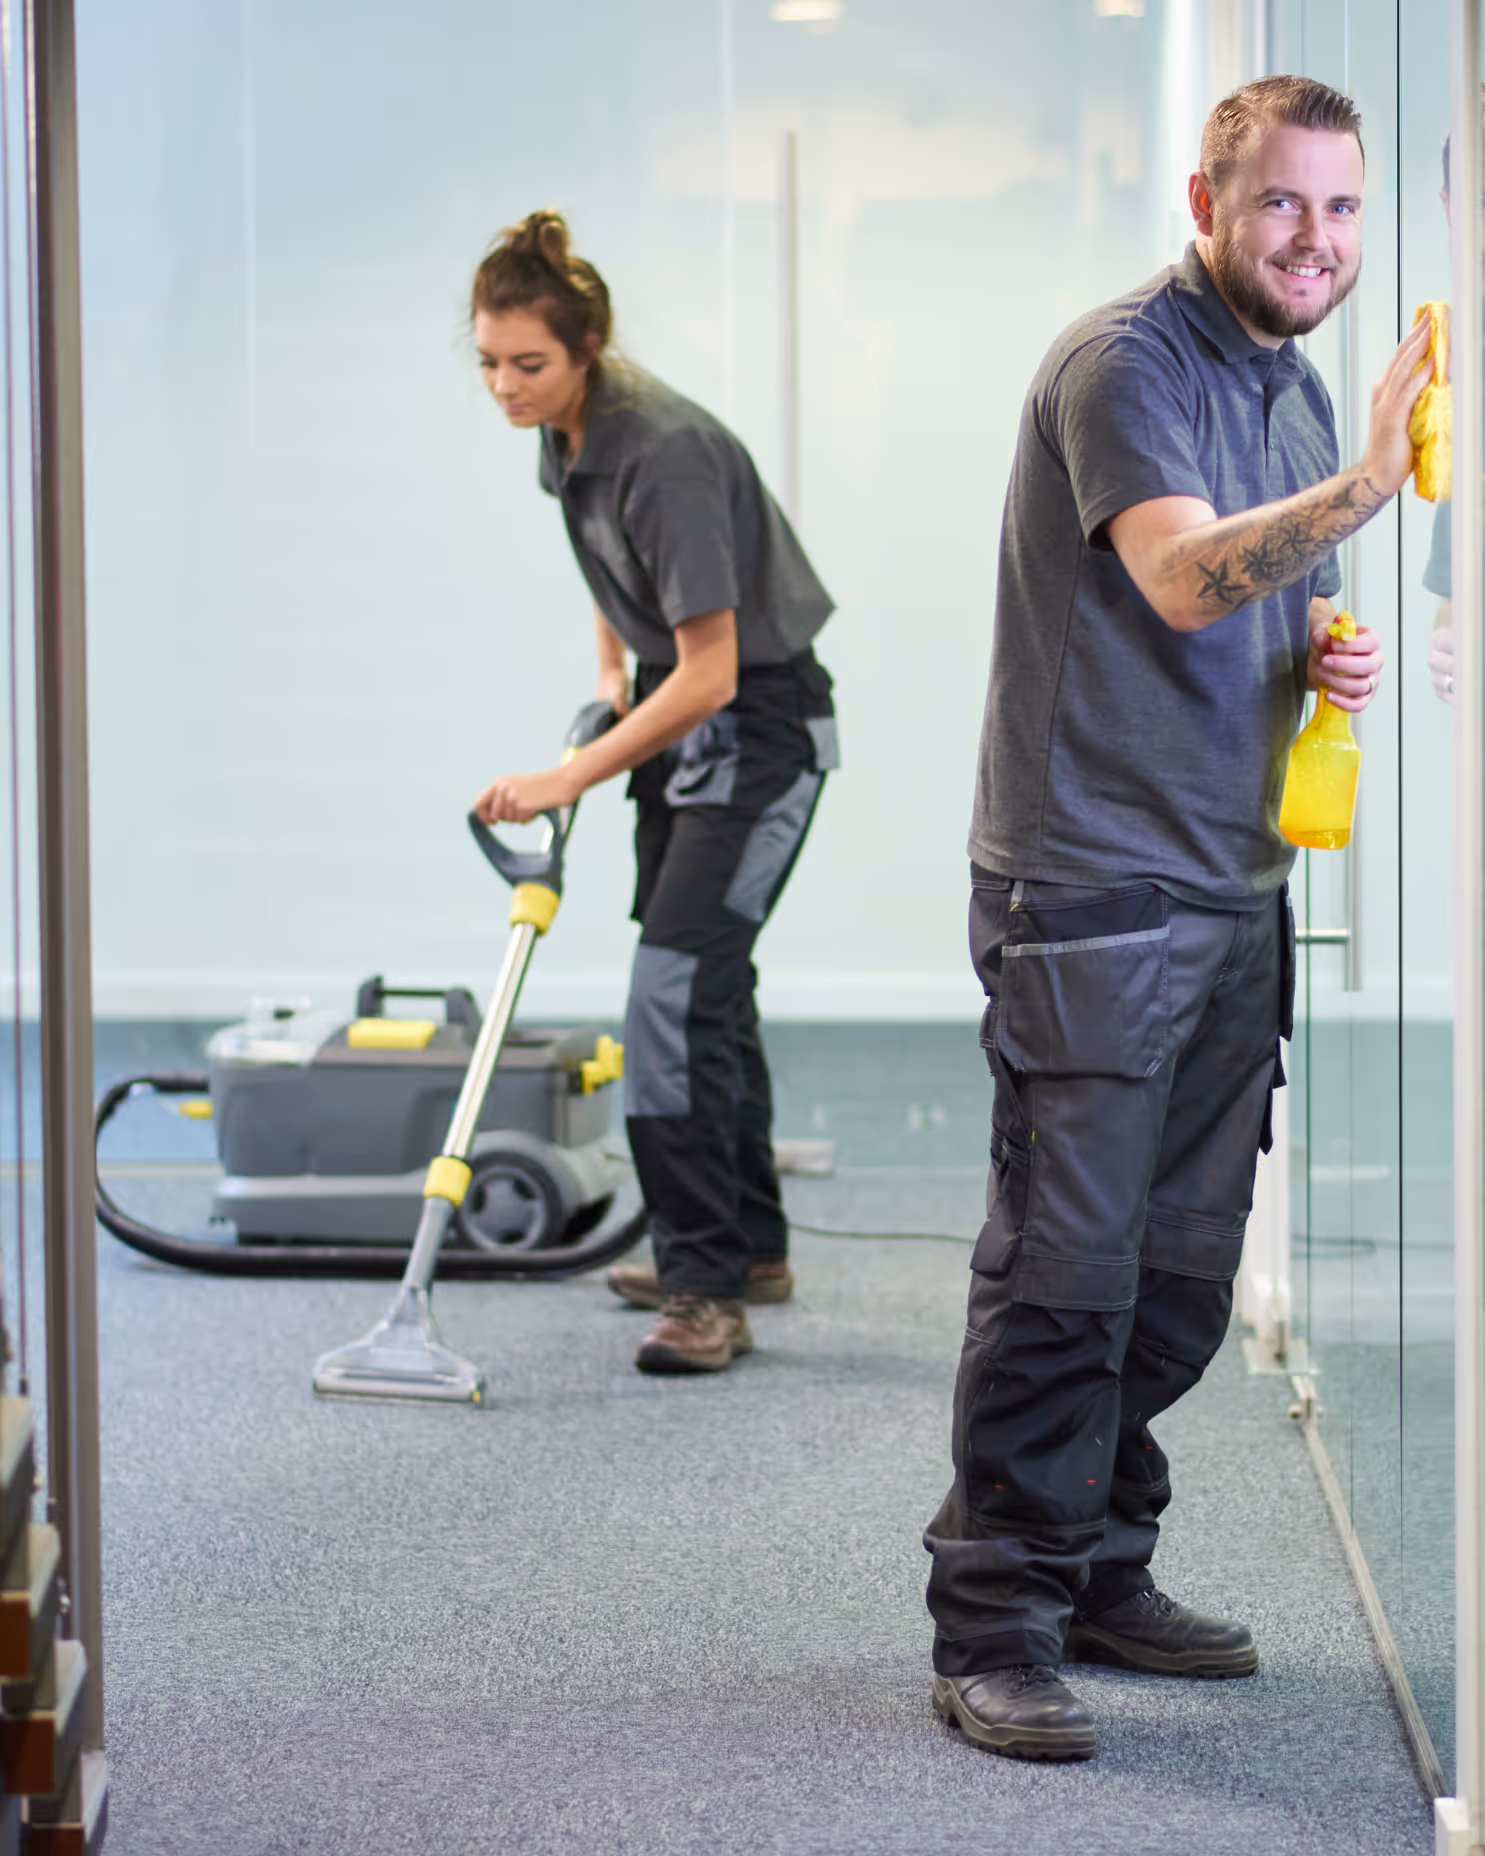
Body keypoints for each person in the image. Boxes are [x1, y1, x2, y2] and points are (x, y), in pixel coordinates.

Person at [923, 75, 1432, 1763]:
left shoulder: (1289, 390)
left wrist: (1323, 656)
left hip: (1231, 888)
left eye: (1344, 209)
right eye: (1284, 204)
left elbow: (1253, 605)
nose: (1318, 240)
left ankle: (1095, 1567)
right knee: (1066, 1273)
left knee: (1180, 1281)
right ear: (1207, 202)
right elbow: (1171, 572)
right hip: (1091, 884)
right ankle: (994, 1619)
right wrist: (1366, 486)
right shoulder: (1123, 363)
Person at [470, 211, 838, 1376]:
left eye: (527, 363)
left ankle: (702, 1290)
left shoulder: (663, 448)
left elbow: (718, 667)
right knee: (708, 989)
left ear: (587, 347)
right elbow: (606, 564)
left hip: (762, 729)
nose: (504, 386)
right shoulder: (567, 430)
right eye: (486, 361)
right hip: (688, 730)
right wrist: (604, 678)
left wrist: (568, 773)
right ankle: (748, 1251)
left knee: (673, 996)